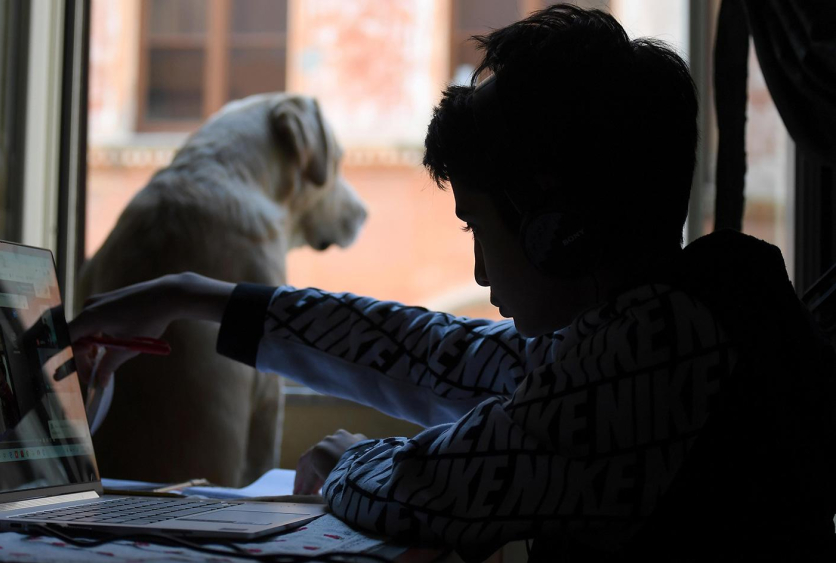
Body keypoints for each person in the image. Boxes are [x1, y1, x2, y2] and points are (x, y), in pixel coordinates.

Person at [70, 5, 836, 561]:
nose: (478, 273)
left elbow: (436, 487)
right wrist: (192, 296)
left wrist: (347, 460)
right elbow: (434, 350)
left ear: (554, 228)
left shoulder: (656, 350)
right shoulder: (658, 318)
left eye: (478, 227)